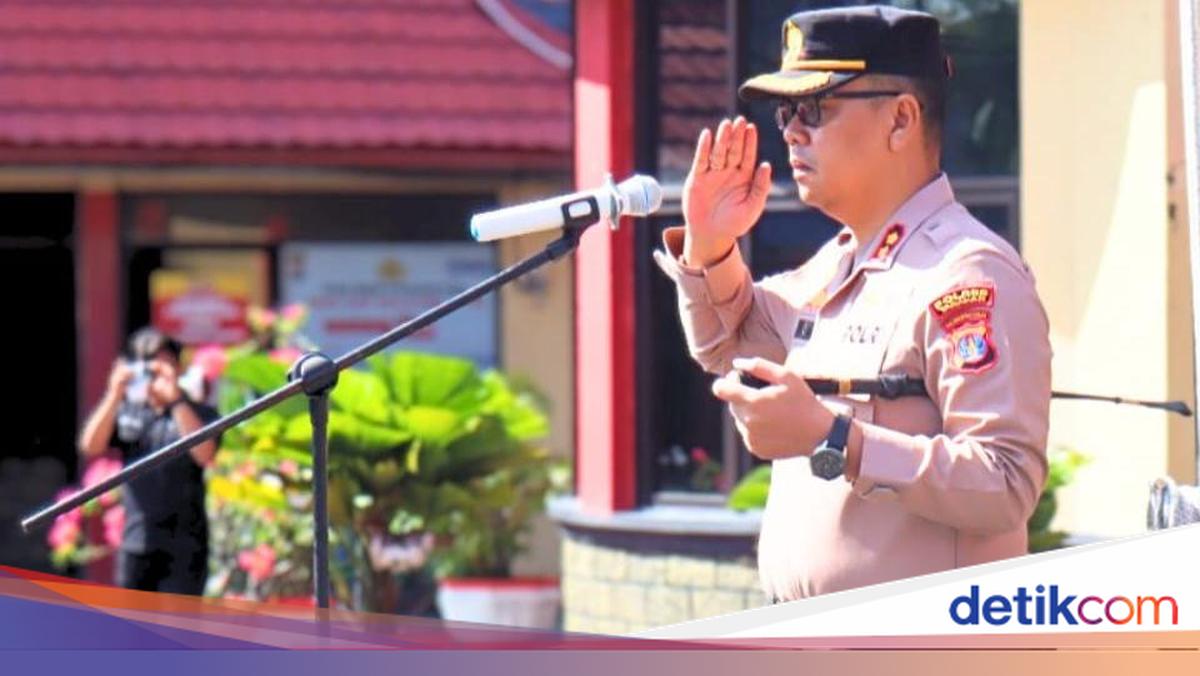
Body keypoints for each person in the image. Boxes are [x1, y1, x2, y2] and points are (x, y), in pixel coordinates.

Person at [653, 5, 1052, 602]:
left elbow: (1006, 483)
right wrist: (709, 245)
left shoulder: (966, 273)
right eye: (786, 113)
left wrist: (835, 440)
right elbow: (727, 346)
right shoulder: (836, 263)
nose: (792, 131)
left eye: (815, 108)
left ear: (901, 119)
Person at [78, 327, 219, 595]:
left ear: (179, 368)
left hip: (186, 545)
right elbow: (91, 446)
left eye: (162, 367)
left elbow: (205, 455)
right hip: (136, 541)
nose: (154, 377)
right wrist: (114, 394)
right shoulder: (129, 414)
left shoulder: (200, 413)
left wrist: (176, 400)